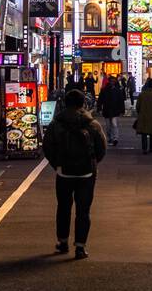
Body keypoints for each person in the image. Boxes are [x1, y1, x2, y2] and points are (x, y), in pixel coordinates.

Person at [42, 87, 106, 258]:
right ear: (82, 103)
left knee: (63, 207)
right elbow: (102, 148)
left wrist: (57, 164)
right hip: (86, 173)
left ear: (65, 103)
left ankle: (62, 242)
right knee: (83, 211)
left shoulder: (57, 124)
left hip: (63, 172)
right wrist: (92, 163)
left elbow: (47, 146)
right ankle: (80, 246)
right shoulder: (92, 124)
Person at [134, 77, 152, 154]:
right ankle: (151, 147)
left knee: (144, 134)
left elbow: (137, 106)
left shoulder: (142, 94)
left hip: (143, 116)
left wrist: (140, 112)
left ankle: (144, 148)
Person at [97, 74, 126, 145]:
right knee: (108, 126)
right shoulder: (105, 90)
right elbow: (100, 100)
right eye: (111, 81)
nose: (112, 83)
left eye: (113, 81)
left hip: (113, 110)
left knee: (113, 124)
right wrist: (99, 108)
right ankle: (110, 138)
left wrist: (122, 110)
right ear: (109, 82)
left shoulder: (117, 90)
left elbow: (121, 101)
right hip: (108, 109)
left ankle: (115, 138)